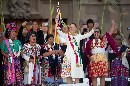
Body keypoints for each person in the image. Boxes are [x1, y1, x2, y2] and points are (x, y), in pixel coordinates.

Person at [56, 14, 96, 83]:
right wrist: (57, 21)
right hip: (68, 58)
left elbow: (87, 35)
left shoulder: (78, 36)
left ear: (76, 28)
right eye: (70, 27)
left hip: (76, 58)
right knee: (68, 75)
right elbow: (58, 31)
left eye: (73, 27)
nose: (71, 29)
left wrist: (93, 29)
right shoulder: (67, 36)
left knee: (76, 75)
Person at [85, 21, 120, 86]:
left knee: (102, 77)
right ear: (93, 33)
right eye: (95, 32)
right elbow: (86, 51)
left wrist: (113, 25)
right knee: (94, 77)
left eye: (98, 32)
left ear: (100, 33)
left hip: (102, 61)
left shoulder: (103, 41)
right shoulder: (90, 42)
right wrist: (90, 57)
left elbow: (109, 34)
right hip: (94, 61)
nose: (96, 33)